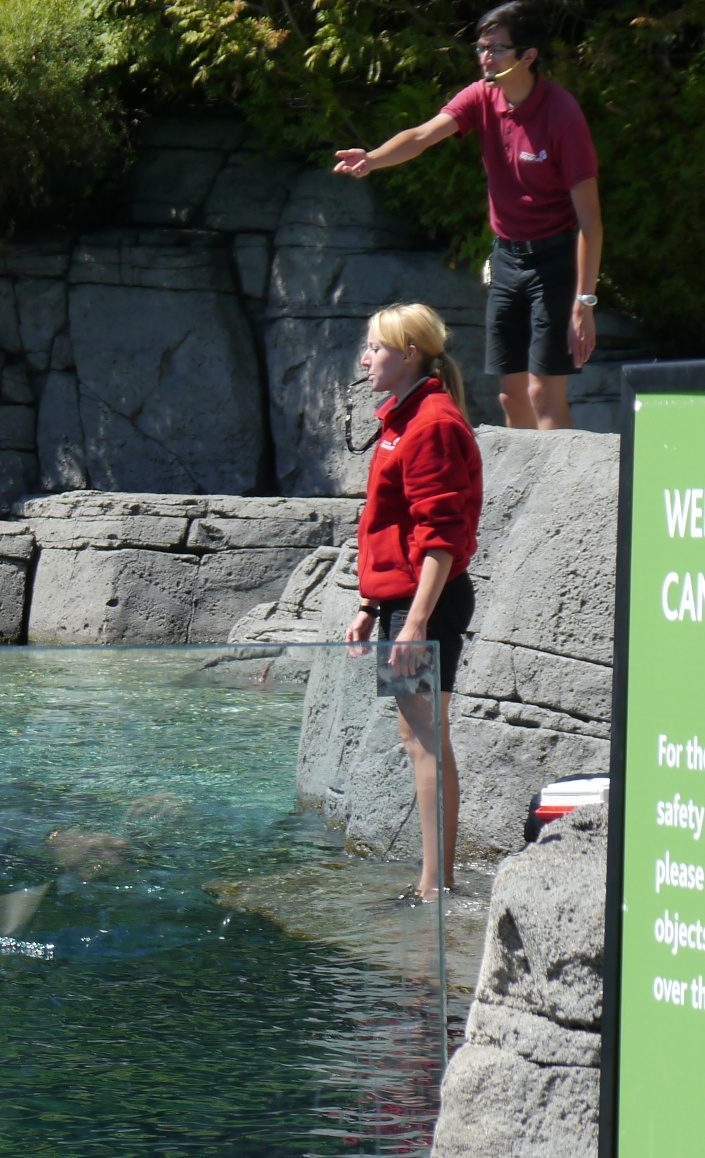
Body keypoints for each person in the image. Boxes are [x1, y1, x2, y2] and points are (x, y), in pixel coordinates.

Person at [333, 1, 602, 431]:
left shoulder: (562, 114)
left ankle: (564, 476)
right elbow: (422, 135)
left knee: (542, 392)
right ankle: (526, 475)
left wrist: (584, 302)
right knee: (510, 393)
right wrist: (373, 158)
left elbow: (590, 222)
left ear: (529, 55)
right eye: (481, 47)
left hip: (555, 262)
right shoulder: (482, 96)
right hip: (507, 259)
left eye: (497, 49)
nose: (485, 57)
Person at [344, 304, 483, 904]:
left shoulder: (431, 423)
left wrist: (415, 621)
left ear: (409, 354)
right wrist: (372, 606)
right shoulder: (402, 419)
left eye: (376, 348)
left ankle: (435, 886)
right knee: (417, 734)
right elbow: (395, 530)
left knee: (425, 736)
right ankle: (433, 879)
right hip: (403, 605)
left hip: (427, 606)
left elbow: (441, 536)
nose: (365, 359)